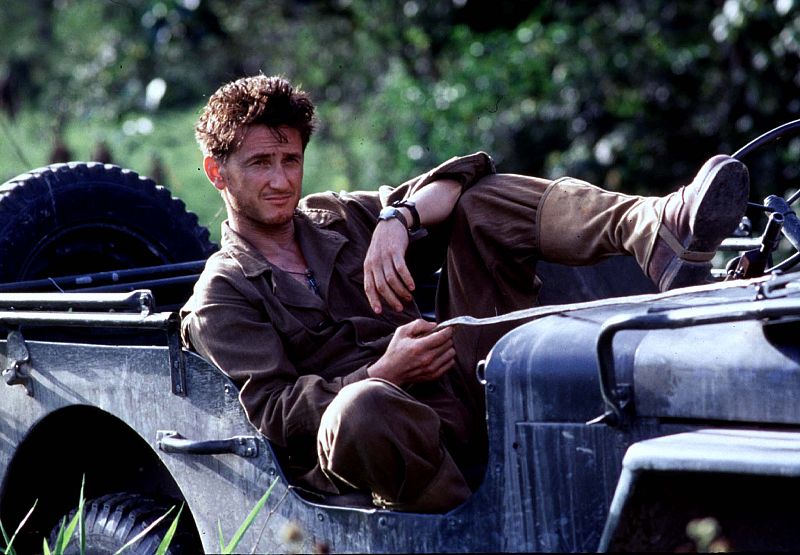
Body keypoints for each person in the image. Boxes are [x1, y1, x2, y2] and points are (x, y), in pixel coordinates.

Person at [180, 75, 749, 513]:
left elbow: (465, 173)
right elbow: (274, 416)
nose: (281, 180)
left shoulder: (338, 217)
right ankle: (477, 527)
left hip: (457, 387)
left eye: (291, 160)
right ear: (216, 172)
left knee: (482, 202)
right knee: (362, 408)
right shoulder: (222, 293)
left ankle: (656, 228)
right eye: (260, 163)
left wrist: (397, 219)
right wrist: (382, 373)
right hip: (374, 446)